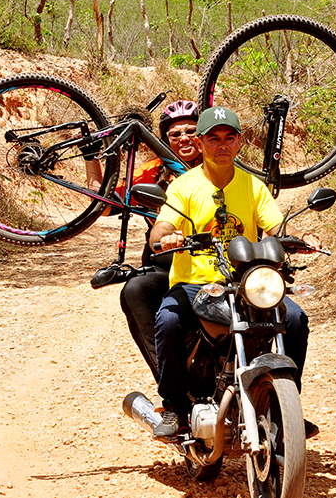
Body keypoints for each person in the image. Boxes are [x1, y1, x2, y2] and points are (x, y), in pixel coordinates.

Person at [149, 106, 321, 441]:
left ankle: (287, 407)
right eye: (213, 139)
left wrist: (301, 238)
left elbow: (275, 226)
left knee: (296, 320)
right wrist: (165, 238)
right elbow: (161, 229)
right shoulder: (184, 186)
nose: (222, 145)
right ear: (200, 143)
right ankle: (173, 407)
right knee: (167, 321)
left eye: (229, 137)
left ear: (240, 142)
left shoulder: (254, 186)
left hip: (245, 284)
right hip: (194, 285)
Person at [119, 100, 202, 382]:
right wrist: (92, 159)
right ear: (164, 140)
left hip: (216, 260)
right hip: (166, 264)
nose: (184, 138)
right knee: (134, 290)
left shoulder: (219, 165)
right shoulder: (152, 171)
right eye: (175, 135)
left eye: (191, 131)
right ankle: (171, 388)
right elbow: (105, 203)